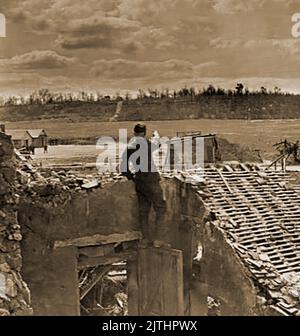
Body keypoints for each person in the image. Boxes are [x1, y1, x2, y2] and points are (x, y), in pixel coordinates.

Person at [119, 123, 169, 248]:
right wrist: (155, 137)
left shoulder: (130, 146)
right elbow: (157, 146)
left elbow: (123, 167)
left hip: (139, 181)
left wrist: (132, 177)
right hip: (151, 180)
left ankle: (145, 239)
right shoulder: (147, 144)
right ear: (144, 133)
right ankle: (159, 239)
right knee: (161, 208)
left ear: (134, 133)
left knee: (143, 211)